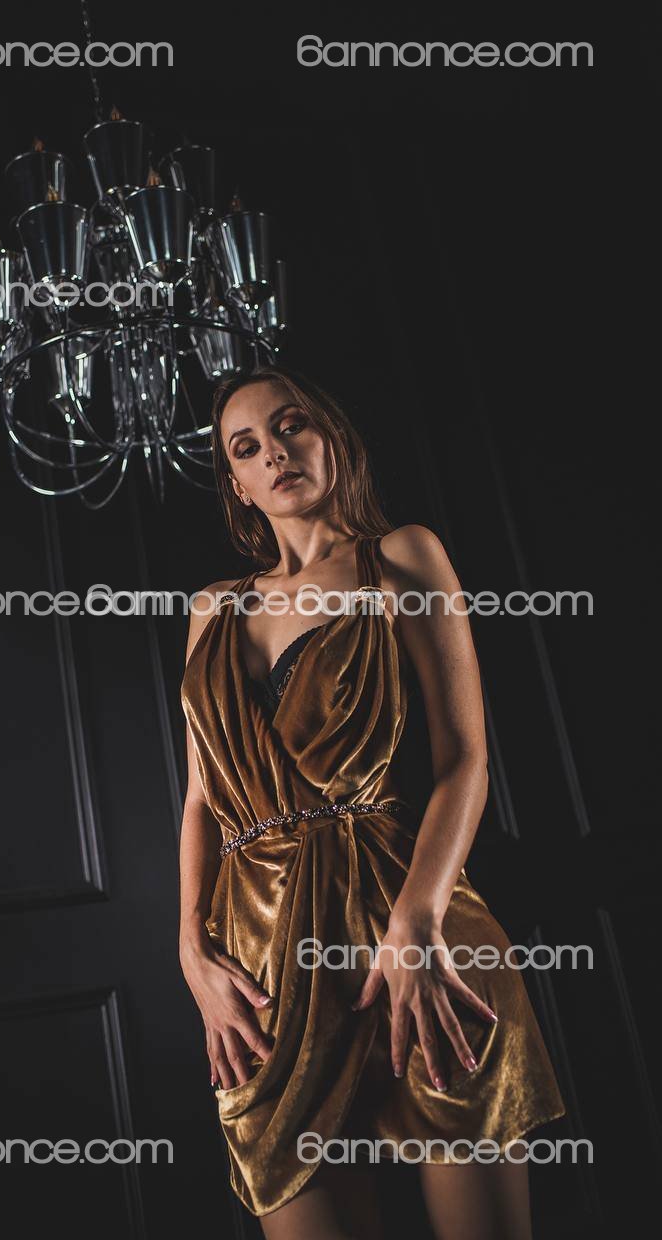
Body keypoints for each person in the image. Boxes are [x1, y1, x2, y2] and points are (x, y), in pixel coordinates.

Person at [178, 366, 565, 1239]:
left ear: (332, 438)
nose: (275, 453)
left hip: (417, 936)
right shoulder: (210, 610)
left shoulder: (402, 558)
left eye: (291, 426)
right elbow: (201, 801)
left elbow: (465, 760)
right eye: (247, 447)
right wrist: (191, 953)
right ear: (237, 485)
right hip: (265, 964)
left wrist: (417, 924)